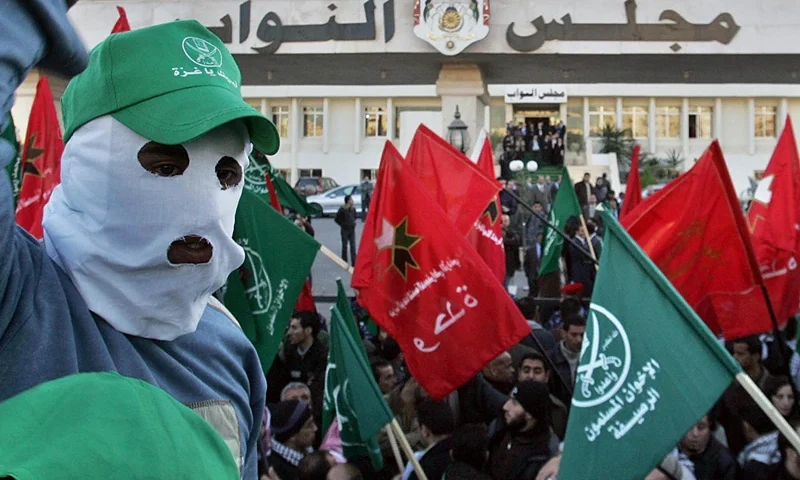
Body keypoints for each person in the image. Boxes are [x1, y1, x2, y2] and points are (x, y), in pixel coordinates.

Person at [1, 13, 279, 479]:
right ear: (90, 164)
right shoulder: (15, 299)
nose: (206, 204)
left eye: (226, 175)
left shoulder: (230, 350)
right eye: (167, 166)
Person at [334, 194, 357, 264]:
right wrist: (342, 224)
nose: (352, 201)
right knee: (345, 245)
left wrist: (353, 222)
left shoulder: (353, 209)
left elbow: (354, 217)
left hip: (352, 229)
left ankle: (354, 261)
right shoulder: (342, 209)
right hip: (345, 229)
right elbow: (337, 219)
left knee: (353, 246)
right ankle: (344, 261)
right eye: (351, 199)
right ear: (348, 201)